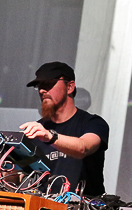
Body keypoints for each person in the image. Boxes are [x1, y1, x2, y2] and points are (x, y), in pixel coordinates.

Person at [20, 61, 109, 196]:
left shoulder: (93, 123)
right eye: (39, 86)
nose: (42, 90)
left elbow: (83, 147)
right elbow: (18, 175)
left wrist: (50, 137)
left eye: (48, 84)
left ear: (70, 87)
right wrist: (7, 168)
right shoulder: (36, 132)